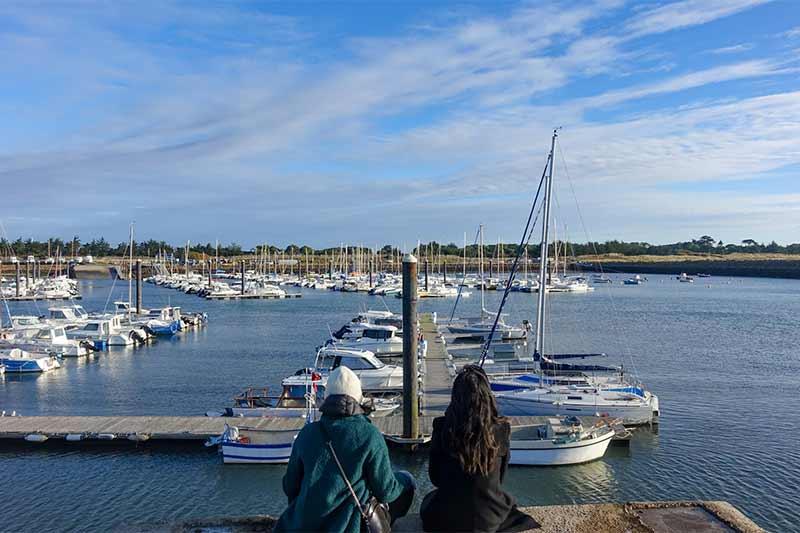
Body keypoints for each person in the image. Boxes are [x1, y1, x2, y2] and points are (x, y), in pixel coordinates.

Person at [275, 366, 415, 532]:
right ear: (357, 398)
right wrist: (405, 482)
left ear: (327, 398)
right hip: (350, 527)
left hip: (302, 527)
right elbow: (386, 491)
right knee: (407, 480)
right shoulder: (370, 435)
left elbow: (290, 486)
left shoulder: (308, 433)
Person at [420, 365, 539, 532]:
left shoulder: (442, 427)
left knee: (429, 500)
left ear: (455, 397)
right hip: (488, 517)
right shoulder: (502, 430)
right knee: (508, 503)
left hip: (447, 519)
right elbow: (500, 478)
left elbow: (436, 478)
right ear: (488, 396)